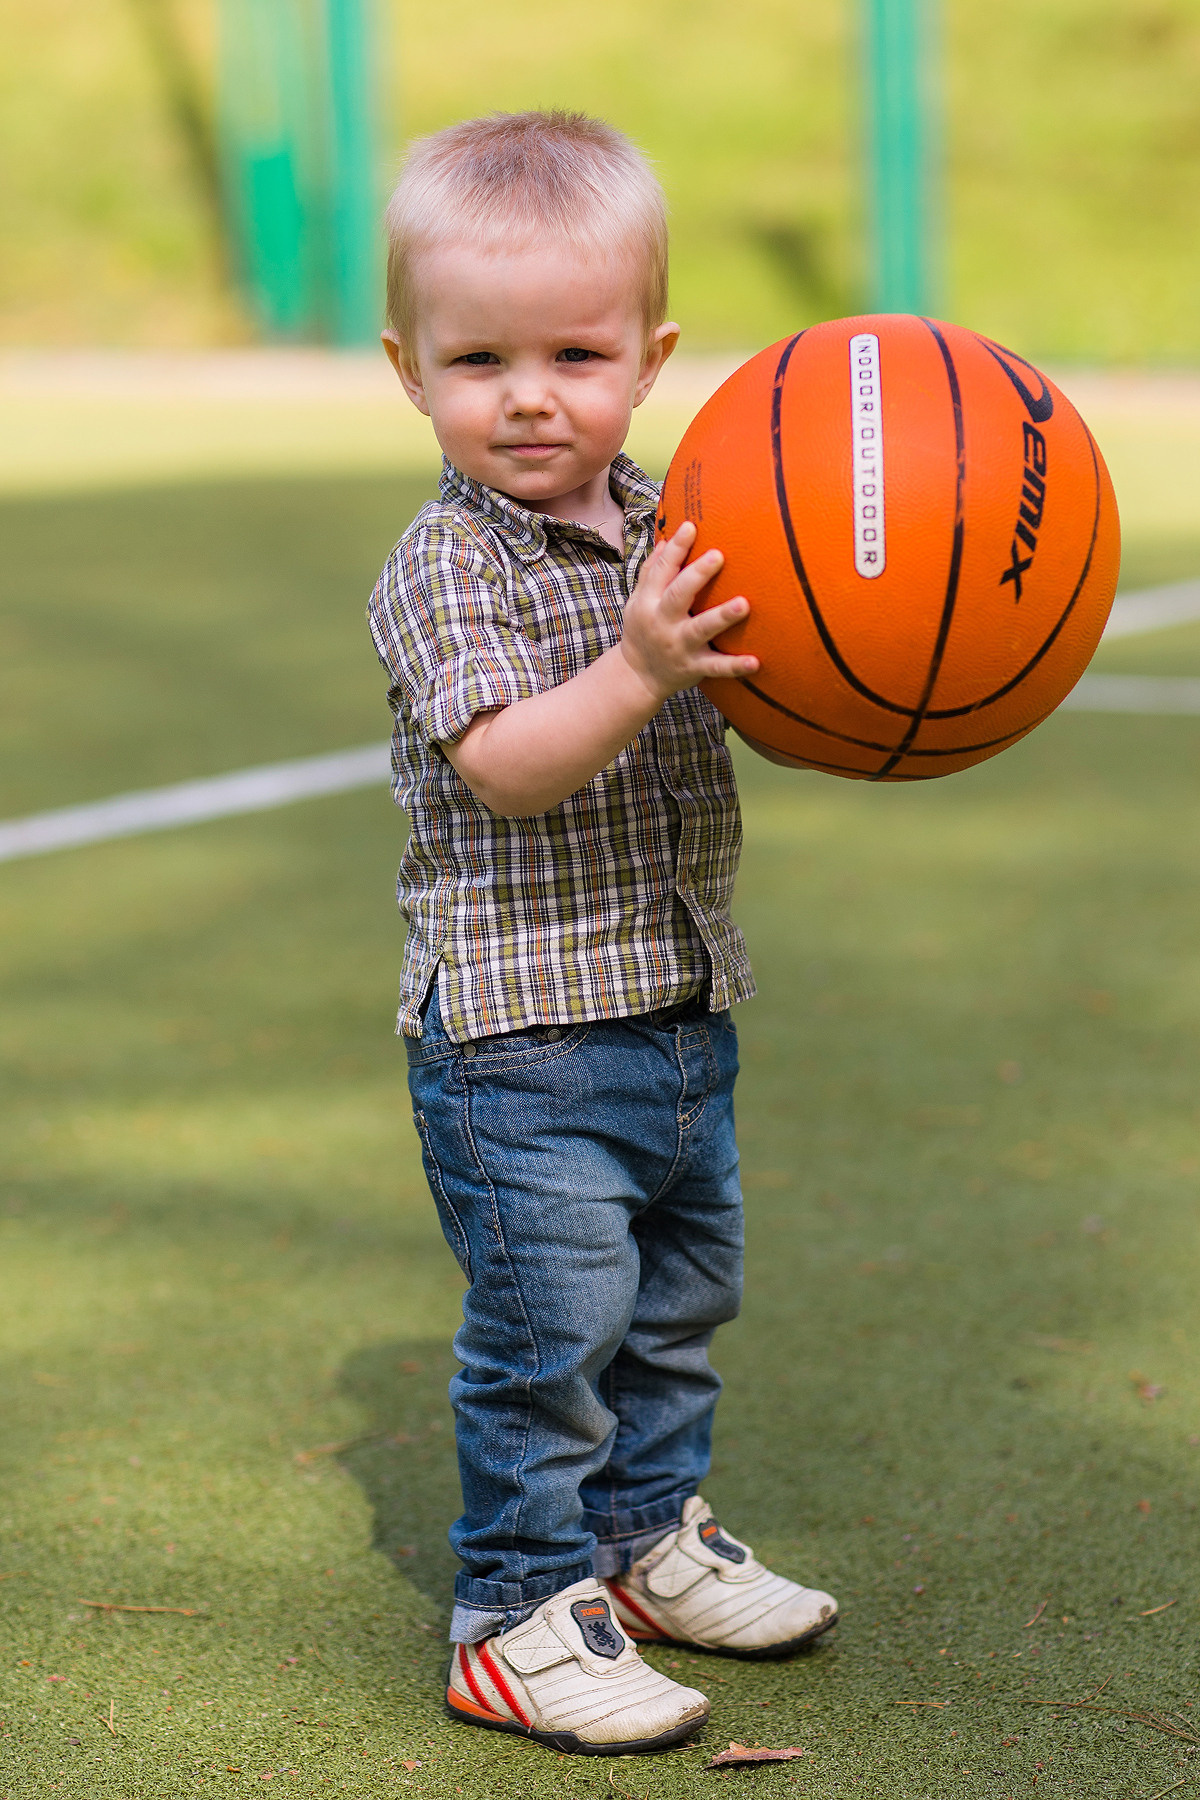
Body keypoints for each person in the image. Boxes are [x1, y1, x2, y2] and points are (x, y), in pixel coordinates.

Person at [367, 110, 837, 1758]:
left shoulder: (675, 518)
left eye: (576, 351)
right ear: (408, 369)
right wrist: (639, 666)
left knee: (672, 1309)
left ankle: (644, 1545)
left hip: (675, 1003)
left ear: (652, 356)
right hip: (520, 1040)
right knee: (547, 1339)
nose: (529, 394)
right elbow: (505, 769)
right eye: (477, 356)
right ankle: (512, 1610)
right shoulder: (443, 566)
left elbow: (777, 682)